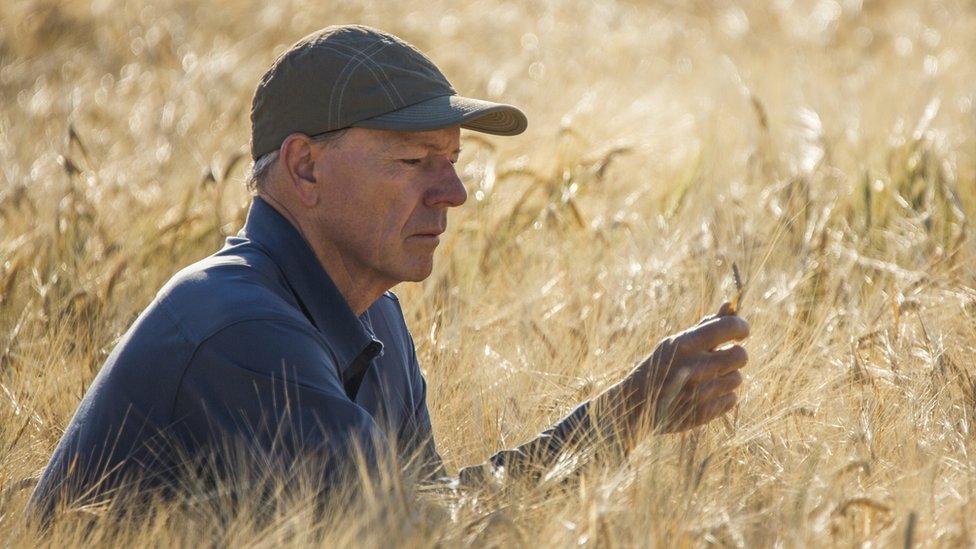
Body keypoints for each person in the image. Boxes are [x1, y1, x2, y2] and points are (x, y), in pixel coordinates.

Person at [28, 24, 749, 520]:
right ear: (306, 167)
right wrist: (618, 417)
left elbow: (428, 506)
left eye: (454, 163)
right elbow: (425, 533)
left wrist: (625, 418)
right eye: (413, 162)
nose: (453, 194)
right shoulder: (239, 329)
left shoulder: (373, 314)